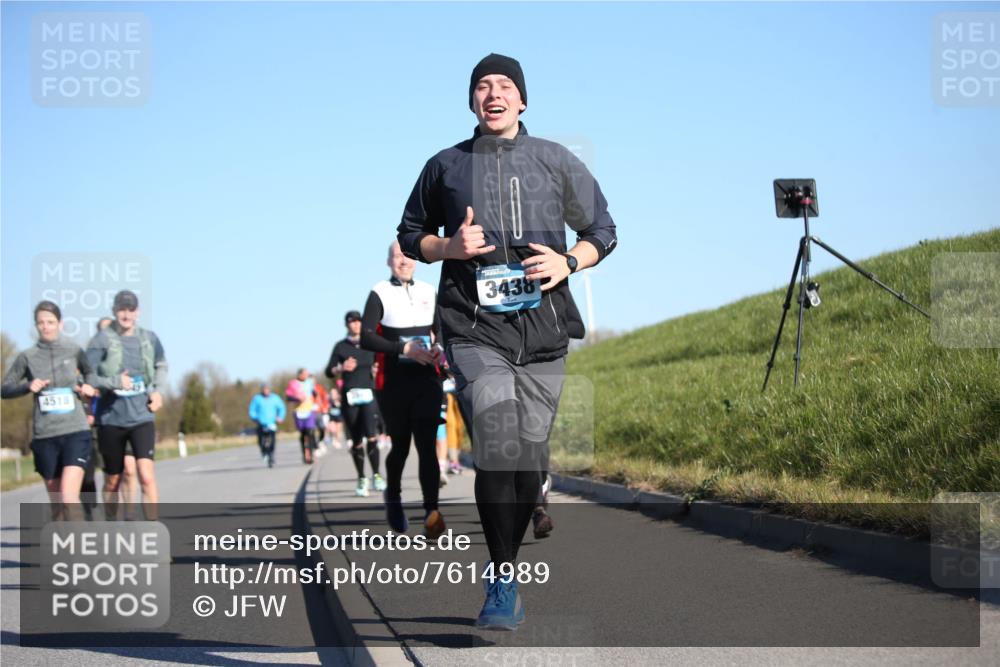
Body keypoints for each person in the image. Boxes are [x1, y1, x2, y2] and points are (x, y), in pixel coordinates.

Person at [397, 53, 617, 630]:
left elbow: (604, 232)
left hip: (544, 331)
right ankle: (500, 579)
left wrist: (569, 261)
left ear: (522, 100)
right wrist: (448, 248)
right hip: (473, 328)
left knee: (524, 464)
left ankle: (508, 568)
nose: (493, 94)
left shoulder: (554, 159)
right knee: (497, 444)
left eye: (504, 86)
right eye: (481, 86)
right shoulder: (445, 165)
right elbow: (411, 234)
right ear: (472, 101)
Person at [2, 302, 120, 520]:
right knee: (57, 505)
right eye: (41, 323)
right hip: (45, 435)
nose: (46, 327)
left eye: (50, 322)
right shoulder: (27, 357)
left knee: (68, 496)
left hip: (75, 431)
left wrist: (88, 387)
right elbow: (5, 389)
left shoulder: (73, 350)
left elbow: (90, 374)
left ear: (60, 324)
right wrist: (27, 386)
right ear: (36, 326)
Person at [360, 241, 445, 538]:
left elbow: (441, 329)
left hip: (426, 380)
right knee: (401, 447)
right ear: (388, 261)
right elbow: (366, 338)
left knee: (427, 446)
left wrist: (439, 348)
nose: (403, 261)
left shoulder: (428, 291)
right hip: (392, 383)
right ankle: (393, 498)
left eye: (408, 256)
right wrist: (403, 347)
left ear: (417, 260)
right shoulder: (379, 292)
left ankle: (432, 512)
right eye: (397, 256)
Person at [87, 290, 168, 521]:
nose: (126, 314)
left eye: (130, 309)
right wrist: (113, 382)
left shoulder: (149, 338)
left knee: (146, 476)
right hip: (111, 418)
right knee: (113, 480)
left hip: (142, 416)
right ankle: (112, 526)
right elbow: (87, 376)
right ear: (114, 311)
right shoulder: (101, 340)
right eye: (122, 309)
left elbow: (161, 365)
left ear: (137, 312)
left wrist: (159, 392)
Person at [531, 291, 586, 539]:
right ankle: (537, 510)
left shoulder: (553, 284)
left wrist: (545, 331)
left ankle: (540, 487)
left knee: (538, 442)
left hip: (545, 371)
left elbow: (578, 327)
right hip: (508, 371)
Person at [326, 311, 384, 497]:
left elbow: (381, 363)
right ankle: (361, 477)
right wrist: (341, 368)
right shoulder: (341, 347)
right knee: (356, 440)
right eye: (352, 322)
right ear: (347, 325)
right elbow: (329, 371)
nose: (356, 324)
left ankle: (376, 475)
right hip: (350, 397)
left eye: (359, 321)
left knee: (372, 436)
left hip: (368, 394)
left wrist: (378, 370)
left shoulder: (370, 344)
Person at [285, 369, 319, 464]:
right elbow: (288, 397)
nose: (307, 376)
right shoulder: (292, 384)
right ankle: (304, 454)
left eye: (307, 374)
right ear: (299, 374)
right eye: (305, 374)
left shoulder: (310, 383)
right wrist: (297, 398)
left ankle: (311, 455)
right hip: (298, 411)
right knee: (303, 434)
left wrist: (315, 400)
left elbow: (314, 394)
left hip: (309, 410)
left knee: (310, 432)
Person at [248, 382, 286, 467]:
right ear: (262, 390)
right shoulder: (257, 398)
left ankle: (271, 455)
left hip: (272, 423)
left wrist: (280, 417)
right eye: (264, 389)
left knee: (272, 440)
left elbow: (281, 408)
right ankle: (264, 451)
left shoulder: (275, 398)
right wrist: (255, 418)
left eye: (267, 389)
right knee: (261, 440)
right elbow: (252, 410)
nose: (266, 391)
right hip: (261, 422)